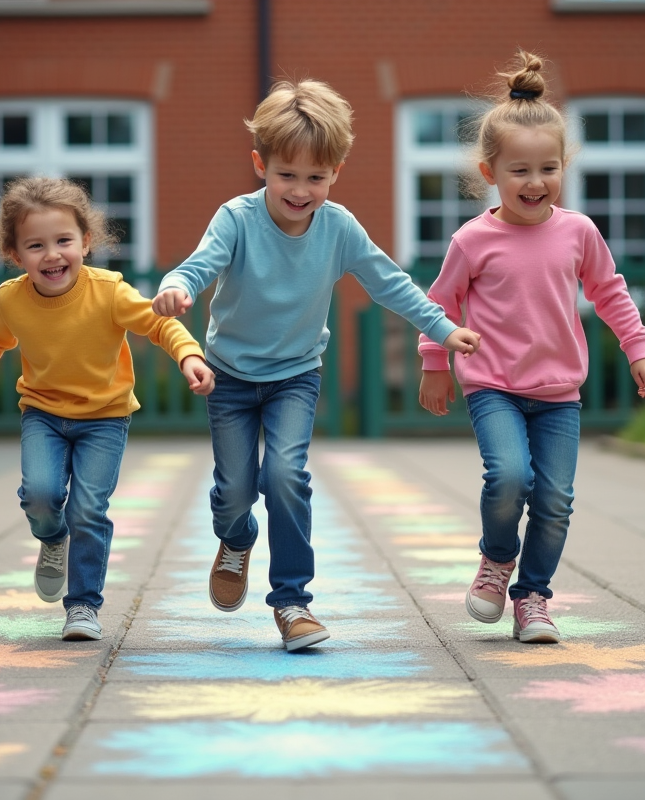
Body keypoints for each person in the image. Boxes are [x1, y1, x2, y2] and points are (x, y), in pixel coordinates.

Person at [152, 79, 482, 651]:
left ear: (336, 173)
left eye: (316, 177)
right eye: (287, 175)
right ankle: (236, 538)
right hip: (230, 376)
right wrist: (177, 287)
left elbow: (390, 284)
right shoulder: (236, 219)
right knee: (233, 493)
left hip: (295, 377)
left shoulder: (339, 227)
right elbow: (199, 265)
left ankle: (292, 602)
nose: (301, 191)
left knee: (285, 476)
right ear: (260, 165)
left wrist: (443, 328)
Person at [418, 51, 645, 644]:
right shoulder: (473, 240)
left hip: (558, 393)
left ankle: (532, 597)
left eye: (548, 169)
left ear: (564, 167)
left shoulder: (579, 231)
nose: (535, 183)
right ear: (490, 172)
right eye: (520, 171)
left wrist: (638, 349)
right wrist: (435, 364)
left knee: (554, 500)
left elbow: (609, 292)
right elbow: (439, 304)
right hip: (494, 386)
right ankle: (497, 558)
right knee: (509, 476)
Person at [0, 176, 214, 642]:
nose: (52, 255)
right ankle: (52, 537)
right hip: (43, 414)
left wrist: (189, 357)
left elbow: (160, 325)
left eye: (63, 241)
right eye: (35, 245)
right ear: (15, 255)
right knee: (40, 496)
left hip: (104, 418)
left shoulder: (109, 291)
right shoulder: (12, 298)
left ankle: (82, 605)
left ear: (86, 241)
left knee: (89, 509)